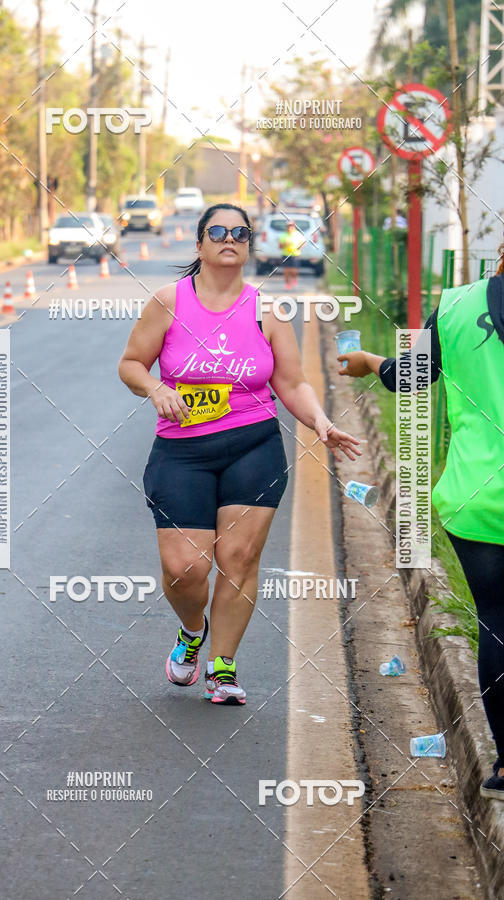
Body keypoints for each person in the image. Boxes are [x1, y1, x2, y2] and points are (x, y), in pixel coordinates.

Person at [118, 203, 362, 705]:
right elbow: (130, 364)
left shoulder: (268, 313)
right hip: (181, 453)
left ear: (249, 245)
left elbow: (292, 383)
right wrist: (155, 389)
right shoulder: (168, 302)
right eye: (218, 231)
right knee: (186, 568)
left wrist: (319, 421)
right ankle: (191, 632)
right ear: (200, 243)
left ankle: (223, 667)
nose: (230, 239)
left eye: (240, 233)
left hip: (254, 446)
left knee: (239, 557)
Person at [337, 244, 504, 799]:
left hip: (476, 502)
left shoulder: (459, 306)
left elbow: (406, 378)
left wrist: (368, 363)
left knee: (497, 623)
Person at [278, 220, 303, 289]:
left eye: (291, 226)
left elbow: (303, 242)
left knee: (294, 271)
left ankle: (294, 278)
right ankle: (287, 284)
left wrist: (299, 247)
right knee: (286, 271)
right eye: (288, 226)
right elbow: (280, 246)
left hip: (295, 255)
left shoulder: (298, 234)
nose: (290, 228)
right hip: (286, 255)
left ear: (294, 227)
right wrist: (284, 244)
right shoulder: (283, 235)